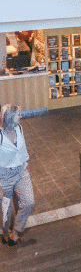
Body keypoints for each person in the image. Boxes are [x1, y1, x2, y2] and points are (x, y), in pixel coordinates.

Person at [0, 104, 35, 246]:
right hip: (5, 177)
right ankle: (5, 231)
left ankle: (16, 230)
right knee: (5, 211)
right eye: (17, 115)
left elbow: (22, 150)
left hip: (21, 171)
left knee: (29, 202)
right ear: (9, 118)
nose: (20, 116)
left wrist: (28, 168)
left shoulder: (19, 128)